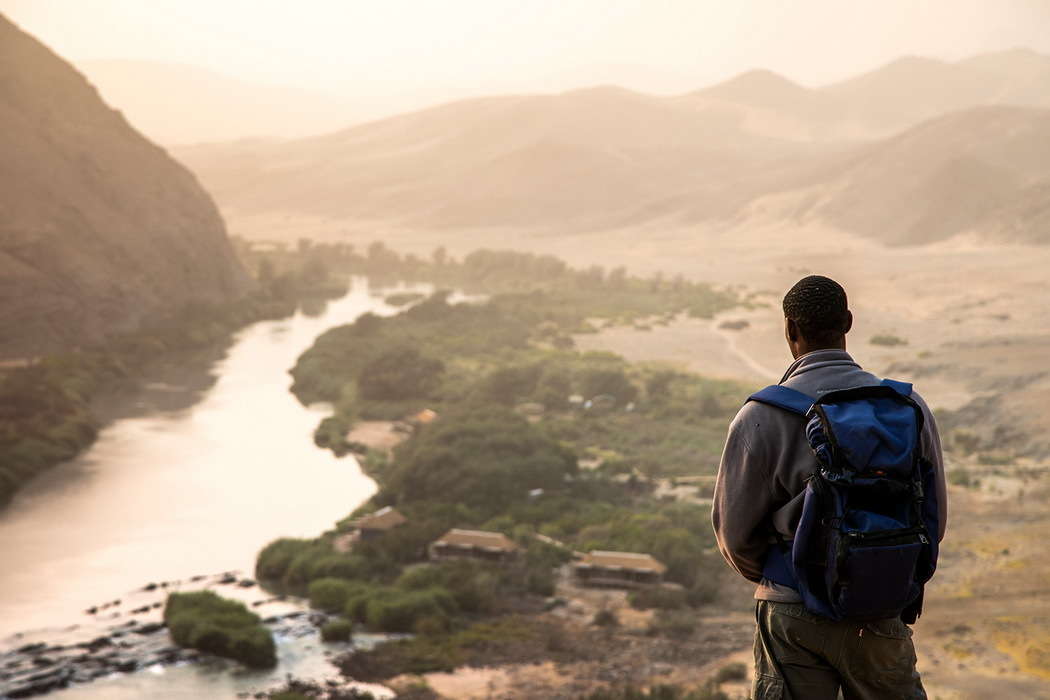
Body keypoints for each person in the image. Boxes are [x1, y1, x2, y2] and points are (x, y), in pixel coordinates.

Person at [712, 275, 947, 700]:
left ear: (790, 329)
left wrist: (787, 578)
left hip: (791, 610)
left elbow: (734, 537)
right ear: (849, 323)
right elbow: (934, 516)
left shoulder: (759, 416)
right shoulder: (908, 407)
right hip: (879, 604)